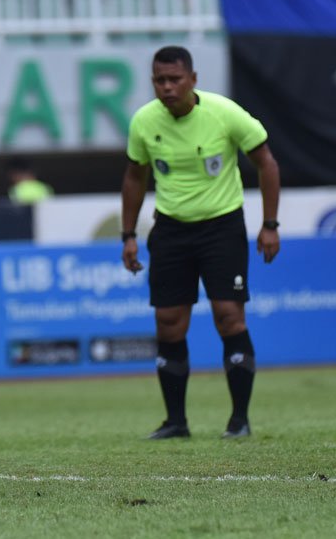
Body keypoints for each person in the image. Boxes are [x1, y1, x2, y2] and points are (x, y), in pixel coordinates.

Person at [120, 45, 281, 440]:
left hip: (222, 228)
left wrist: (270, 224)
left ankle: (239, 420)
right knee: (168, 323)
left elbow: (267, 163)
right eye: (159, 80)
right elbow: (135, 177)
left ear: (193, 79)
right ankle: (176, 422)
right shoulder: (144, 121)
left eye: (175, 79)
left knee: (229, 317)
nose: (167, 87)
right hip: (170, 230)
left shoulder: (225, 113)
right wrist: (128, 235)